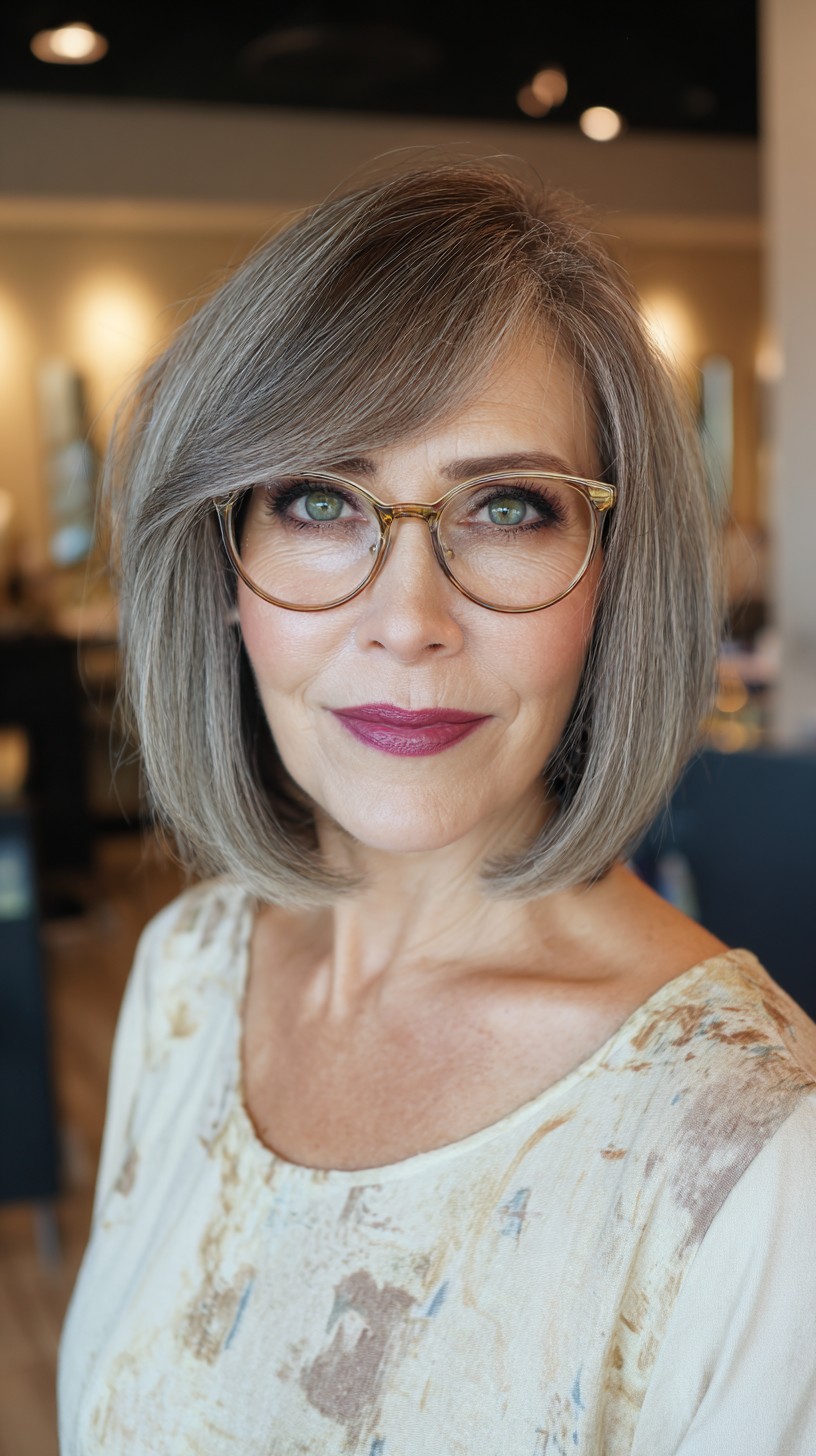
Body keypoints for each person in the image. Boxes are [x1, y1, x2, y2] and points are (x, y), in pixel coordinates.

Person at [58, 156, 816, 1454]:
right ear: (221, 567)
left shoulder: (755, 1160)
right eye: (317, 500)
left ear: (611, 577)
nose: (408, 621)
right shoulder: (188, 973)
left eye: (508, 507)